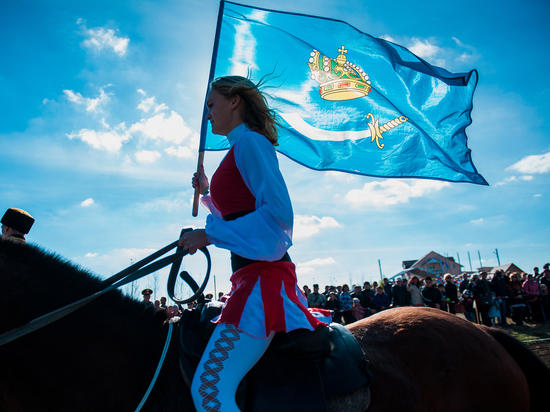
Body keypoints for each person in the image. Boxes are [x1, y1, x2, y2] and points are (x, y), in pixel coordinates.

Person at [177, 75, 325, 412]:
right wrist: (207, 195)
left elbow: (277, 218)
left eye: (211, 105)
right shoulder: (239, 146)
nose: (207, 114)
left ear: (234, 101)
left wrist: (209, 235)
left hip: (263, 282)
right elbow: (240, 214)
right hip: (251, 278)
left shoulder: (250, 144)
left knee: (210, 391)